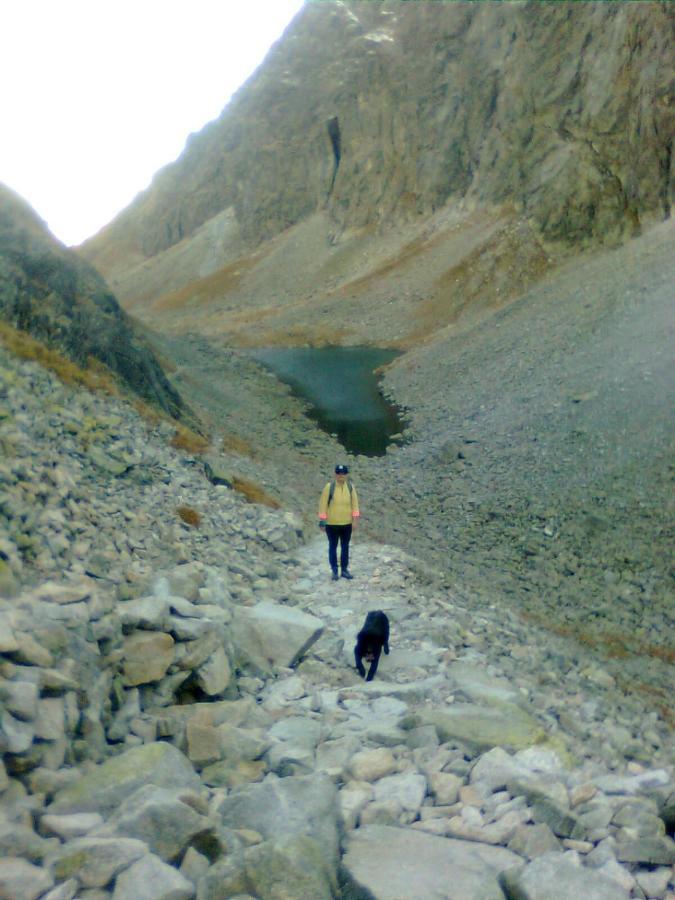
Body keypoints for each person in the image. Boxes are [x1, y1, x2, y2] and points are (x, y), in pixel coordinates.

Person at [318, 464, 360, 580]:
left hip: (347, 523)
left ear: (346, 475)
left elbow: (355, 505)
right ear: (335, 474)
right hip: (332, 524)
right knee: (333, 546)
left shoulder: (350, 487)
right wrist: (322, 521)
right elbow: (323, 505)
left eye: (343, 473)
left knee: (345, 547)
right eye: (339, 473)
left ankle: (345, 570)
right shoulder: (329, 487)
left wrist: (355, 520)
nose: (341, 476)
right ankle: (334, 570)